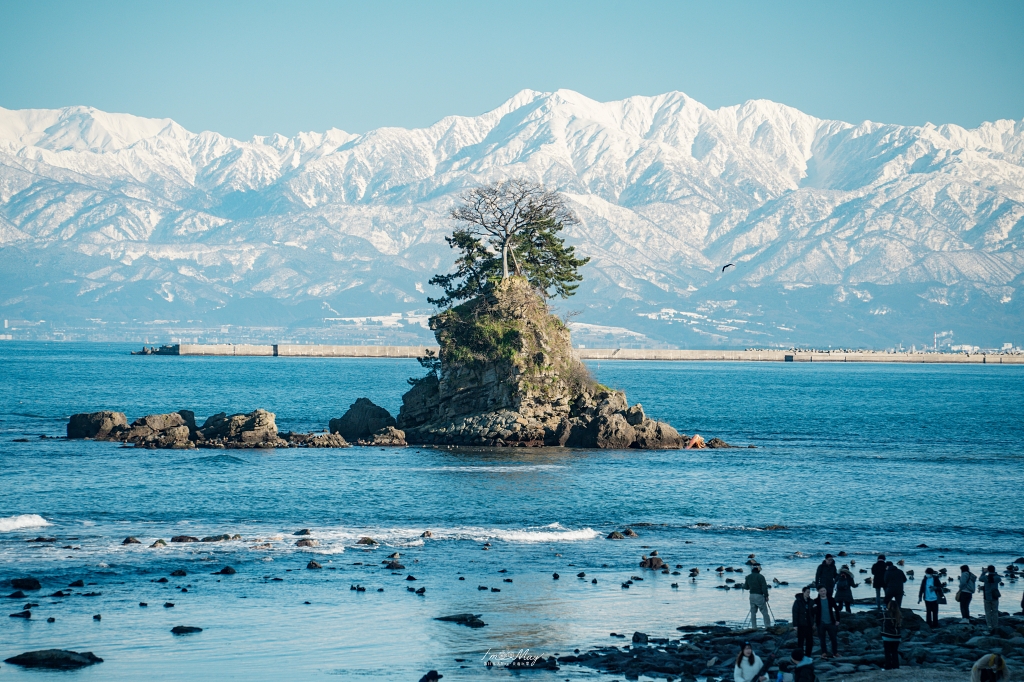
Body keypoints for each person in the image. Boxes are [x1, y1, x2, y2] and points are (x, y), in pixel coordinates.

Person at [814, 586, 840, 659]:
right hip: (821, 623)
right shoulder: (816, 601)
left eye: (824, 590)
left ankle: (835, 653)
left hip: (831, 622)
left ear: (826, 591)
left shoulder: (831, 599)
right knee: (822, 639)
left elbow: (836, 609)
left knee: (834, 638)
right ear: (819, 592)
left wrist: (838, 620)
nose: (823, 592)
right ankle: (824, 653)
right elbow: (813, 612)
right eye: (821, 591)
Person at [791, 586, 816, 657]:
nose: (808, 594)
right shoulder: (797, 601)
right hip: (801, 624)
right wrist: (795, 625)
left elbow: (814, 613)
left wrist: (813, 623)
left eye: (809, 592)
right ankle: (800, 655)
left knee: (810, 641)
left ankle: (808, 655)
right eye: (807, 592)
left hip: (809, 624)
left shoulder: (811, 601)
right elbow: (795, 613)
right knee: (800, 641)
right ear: (803, 592)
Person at [880, 599, 902, 670]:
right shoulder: (899, 615)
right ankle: (896, 666)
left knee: (887, 652)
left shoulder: (885, 614)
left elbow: (879, 619)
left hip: (887, 635)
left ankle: (888, 666)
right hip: (897, 637)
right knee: (894, 651)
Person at [978, 565, 1001, 632]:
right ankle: (995, 625)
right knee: (995, 611)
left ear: (988, 570)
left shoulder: (985, 577)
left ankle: (989, 625)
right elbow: (999, 579)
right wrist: (994, 573)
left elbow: (980, 579)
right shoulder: (996, 577)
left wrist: (984, 572)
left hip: (987, 596)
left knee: (987, 612)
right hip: (995, 596)